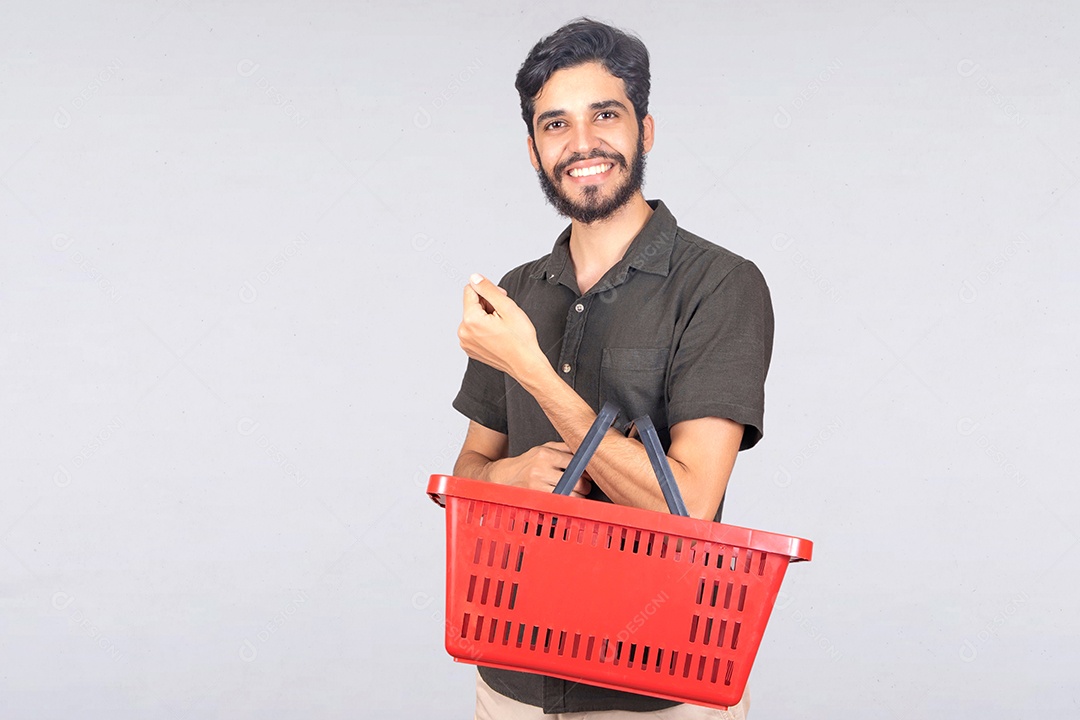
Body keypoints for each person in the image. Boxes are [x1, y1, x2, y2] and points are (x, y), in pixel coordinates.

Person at [452, 17, 773, 720]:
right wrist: (508, 476)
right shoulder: (517, 290)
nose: (582, 144)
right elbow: (469, 472)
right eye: (555, 125)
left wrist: (532, 370)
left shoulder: (721, 285)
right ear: (534, 150)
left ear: (645, 130)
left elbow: (686, 504)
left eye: (605, 114)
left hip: (659, 691)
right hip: (512, 685)